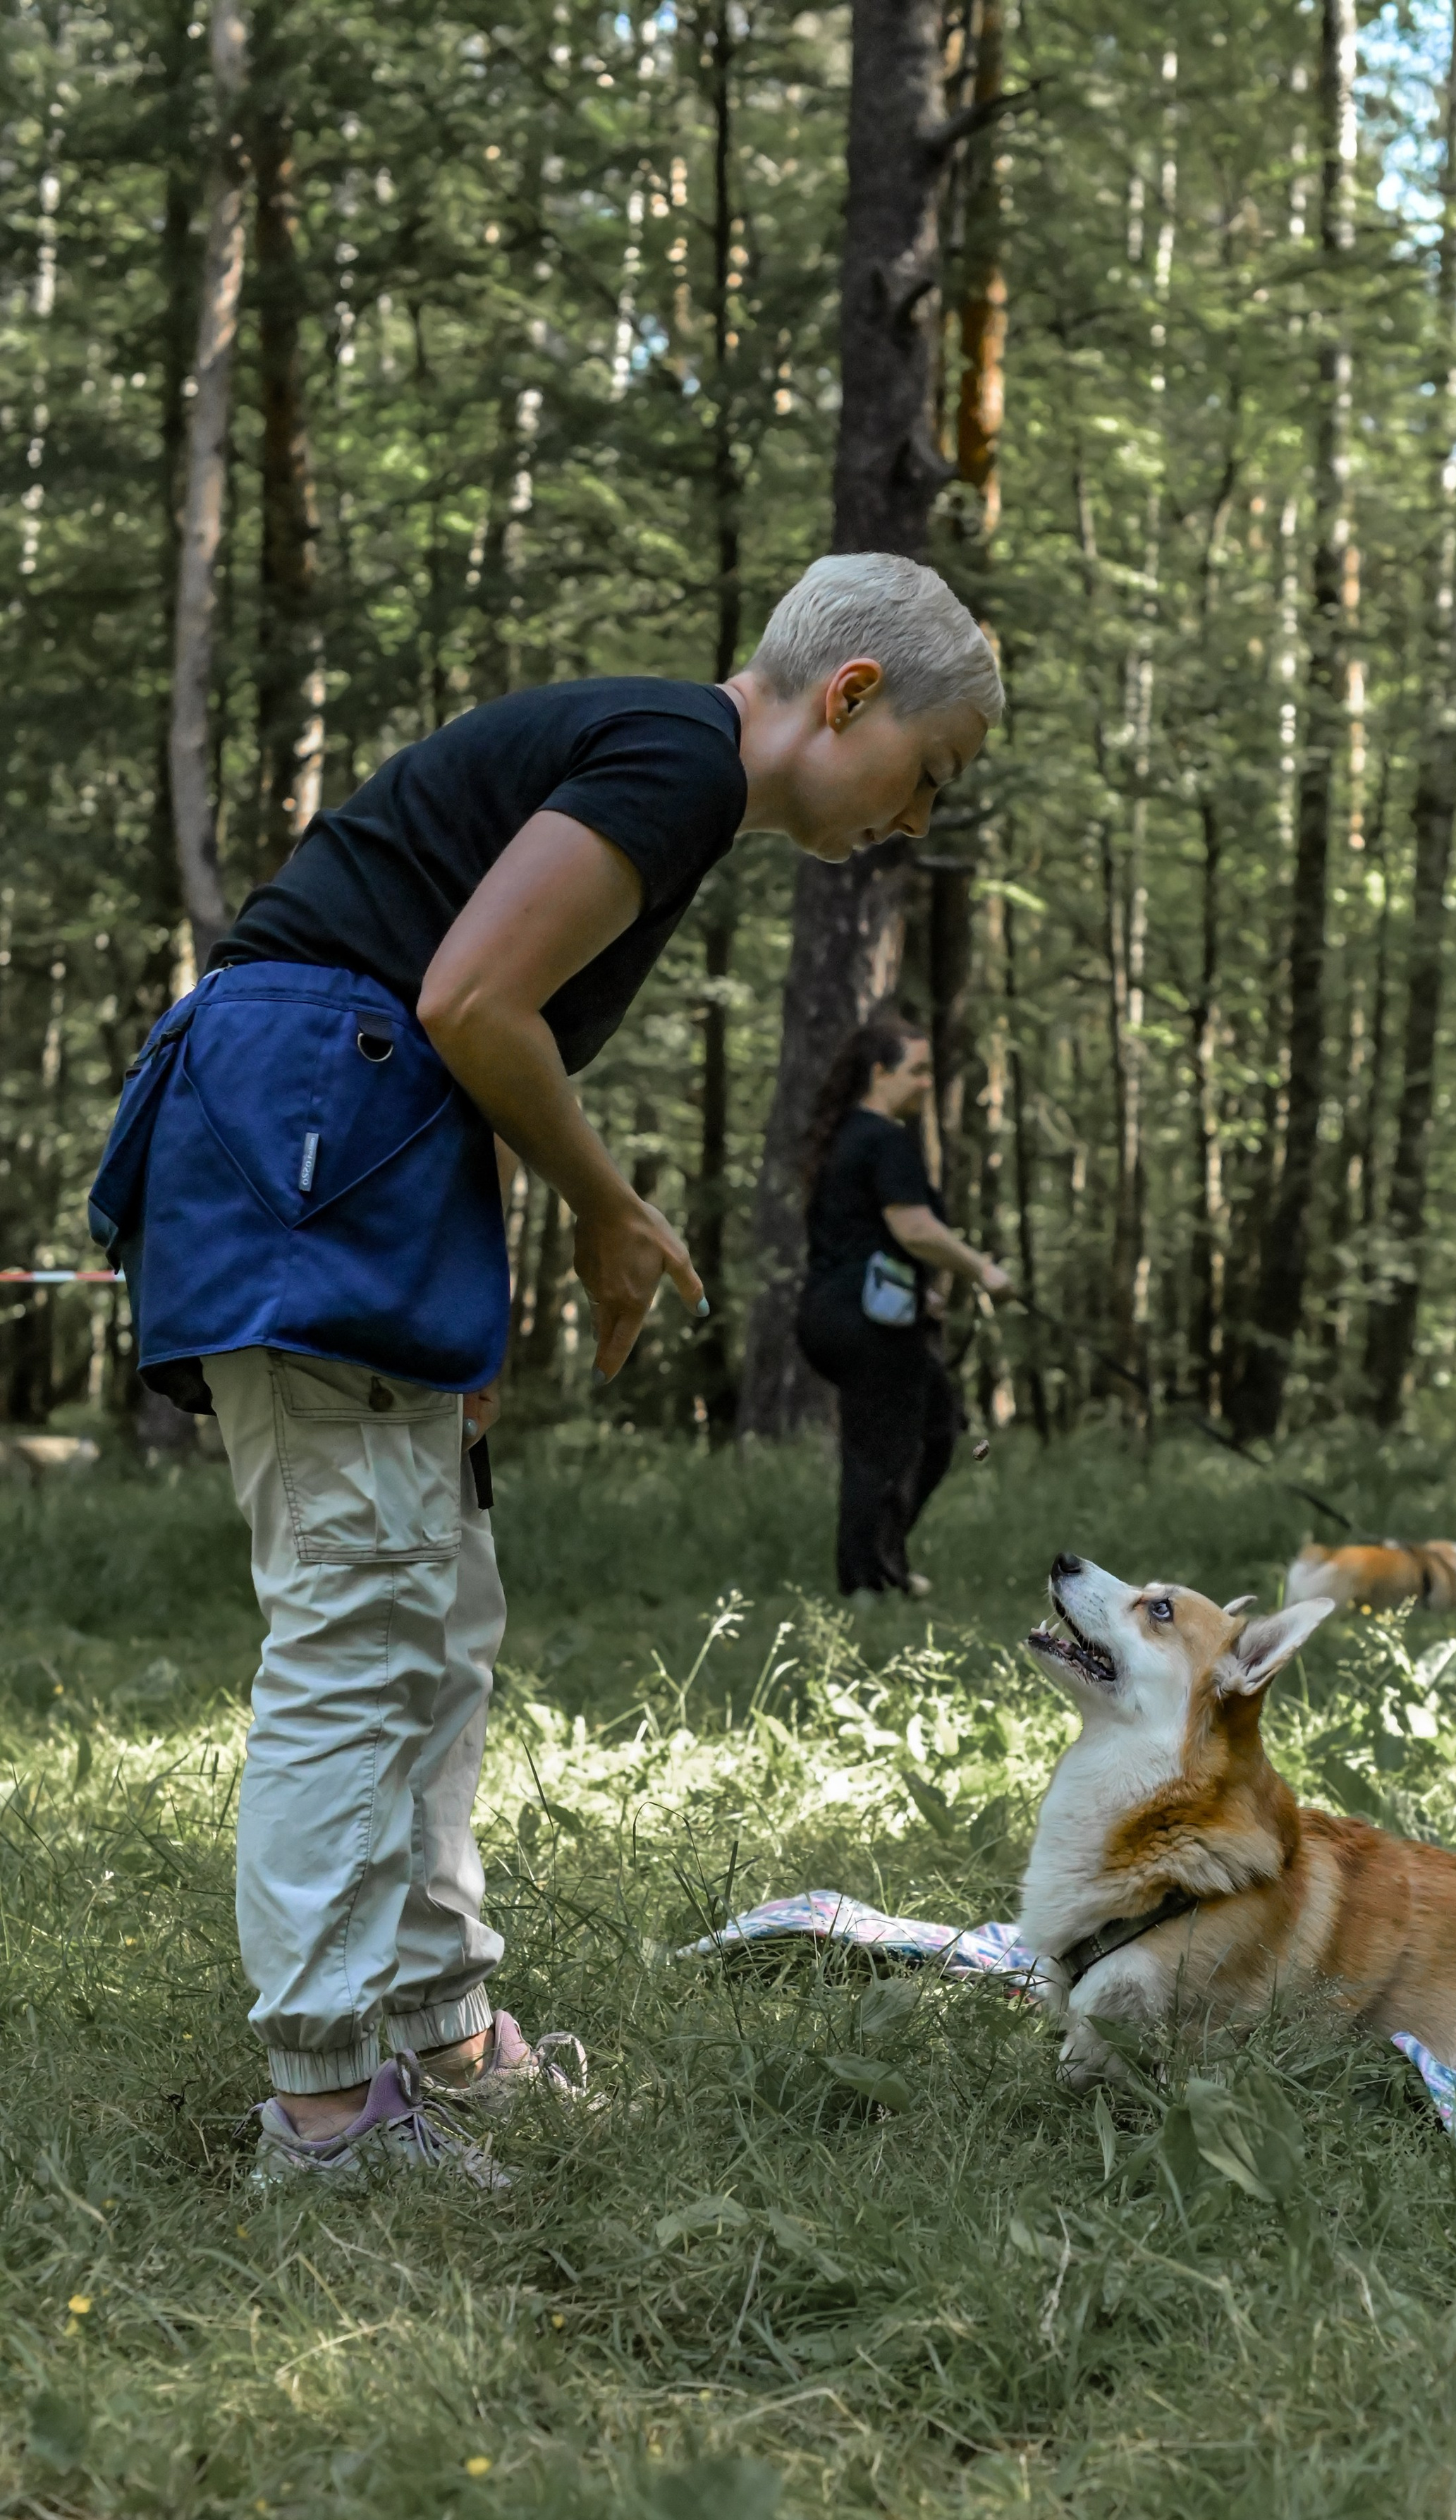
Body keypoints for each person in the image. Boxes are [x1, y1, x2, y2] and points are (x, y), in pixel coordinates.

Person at [89, 553, 1003, 2186]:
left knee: (436, 1616)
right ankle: (324, 2113)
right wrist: (608, 1208)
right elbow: (464, 1001)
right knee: (358, 1630)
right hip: (302, 1144)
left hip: (360, 1163)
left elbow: (455, 1017)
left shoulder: (671, 779)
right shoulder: (677, 755)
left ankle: (439, 2031)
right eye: (922, 776)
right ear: (848, 694)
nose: (910, 822)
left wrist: (474, 1301)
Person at [797, 1012, 1013, 1596]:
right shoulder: (885, 1139)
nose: (926, 1083)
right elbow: (914, 1226)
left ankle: (884, 1559)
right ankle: (864, 1584)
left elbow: (876, 1234)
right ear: (880, 1072)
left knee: (936, 1427)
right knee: (879, 1450)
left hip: (835, 1312)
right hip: (867, 1319)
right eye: (916, 1071)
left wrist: (930, 1292)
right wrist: (983, 1271)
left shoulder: (843, 1136)